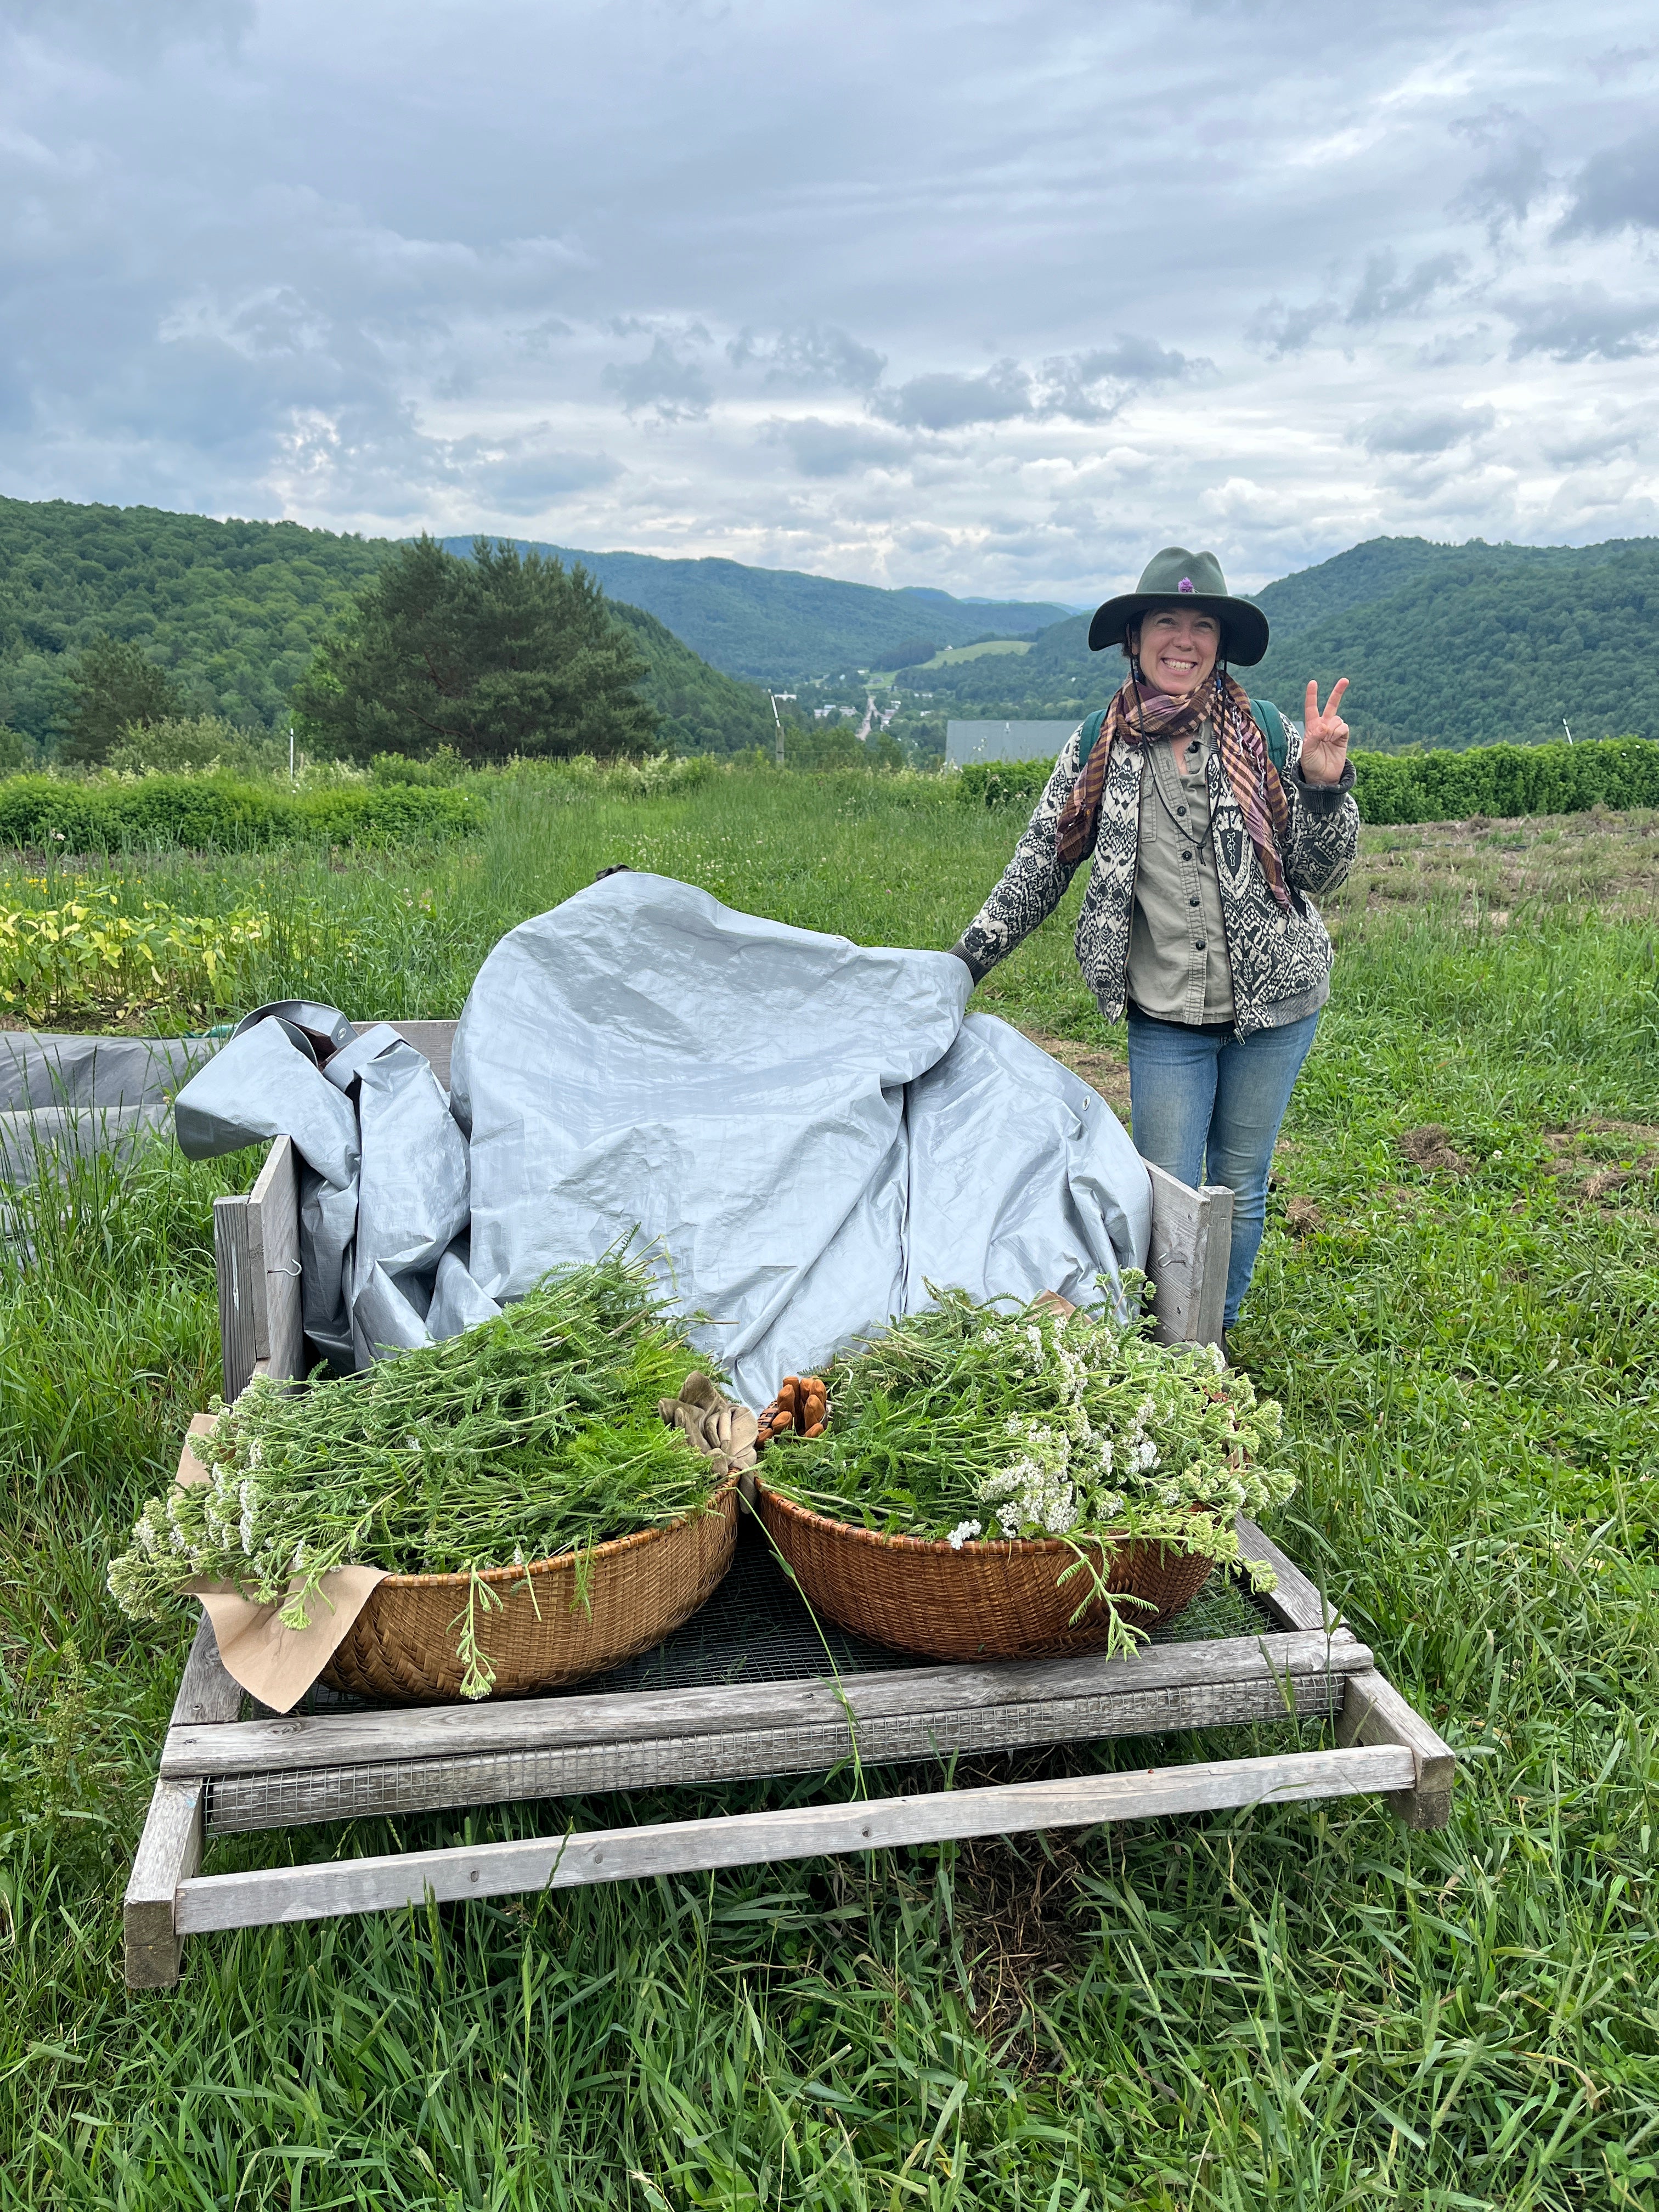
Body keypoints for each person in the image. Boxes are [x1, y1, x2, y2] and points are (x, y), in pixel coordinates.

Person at [949, 545, 1359, 1355]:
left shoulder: (1268, 732)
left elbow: (1321, 873)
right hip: (1166, 1009)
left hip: (1277, 1003)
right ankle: (1171, 1345)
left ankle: (1217, 1336)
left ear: (1221, 643)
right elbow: (1040, 865)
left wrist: (1321, 785)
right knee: (1164, 1189)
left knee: (1239, 1183)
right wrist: (963, 961)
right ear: (1134, 639)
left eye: (1202, 624)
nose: (1184, 639)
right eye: (1166, 622)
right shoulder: (1098, 747)